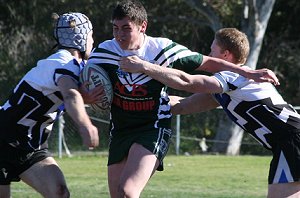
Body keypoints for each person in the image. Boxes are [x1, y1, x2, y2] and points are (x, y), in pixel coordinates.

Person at [88, 0, 279, 197]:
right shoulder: (104, 52)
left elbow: (208, 63)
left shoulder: (161, 49)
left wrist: (249, 73)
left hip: (152, 127)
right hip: (120, 129)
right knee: (117, 195)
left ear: (142, 26)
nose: (119, 35)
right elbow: (84, 86)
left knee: (128, 192)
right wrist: (89, 97)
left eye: (126, 28)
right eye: (115, 28)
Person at [119, 27, 300, 198]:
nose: (208, 55)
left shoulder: (235, 76)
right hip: (288, 141)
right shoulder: (227, 89)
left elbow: (188, 82)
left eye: (212, 50)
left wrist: (144, 67)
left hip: (292, 139)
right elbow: (182, 105)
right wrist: (131, 101)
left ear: (226, 55)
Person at [0, 12, 100, 198]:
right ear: (83, 37)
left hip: (31, 144)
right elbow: (70, 95)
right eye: (91, 36)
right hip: (3, 139)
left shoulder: (76, 66)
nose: (92, 41)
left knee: (59, 193)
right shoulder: (63, 62)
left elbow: (67, 94)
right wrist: (85, 124)